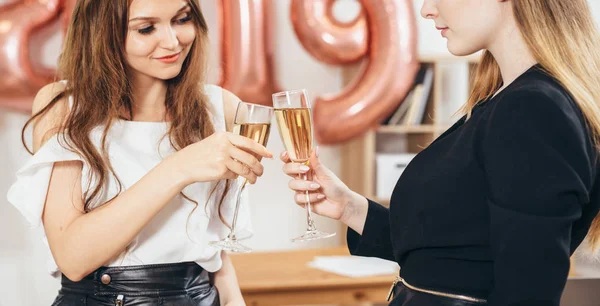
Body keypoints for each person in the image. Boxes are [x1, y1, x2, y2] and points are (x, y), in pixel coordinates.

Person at [282, 0, 600, 305]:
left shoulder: (533, 110)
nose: (426, 9)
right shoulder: (508, 98)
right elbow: (454, 253)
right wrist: (350, 208)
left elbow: (527, 293)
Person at [6, 0, 272, 305]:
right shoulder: (65, 107)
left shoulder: (219, 106)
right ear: (102, 31)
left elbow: (212, 248)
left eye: (182, 19)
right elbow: (73, 256)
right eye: (146, 28)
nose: (173, 41)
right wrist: (179, 168)